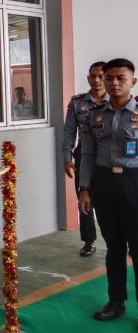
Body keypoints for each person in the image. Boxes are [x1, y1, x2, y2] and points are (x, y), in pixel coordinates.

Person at [78, 57, 138, 321]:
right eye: (109, 77)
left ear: (132, 81)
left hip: (134, 182)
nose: (114, 83)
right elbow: (88, 153)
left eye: (120, 78)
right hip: (104, 185)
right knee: (114, 247)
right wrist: (84, 188)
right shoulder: (95, 114)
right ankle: (116, 301)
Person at [62, 61, 107, 257]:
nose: (96, 80)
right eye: (93, 76)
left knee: (116, 199)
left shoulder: (116, 101)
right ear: (88, 78)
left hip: (109, 156)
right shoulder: (77, 102)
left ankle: (127, 239)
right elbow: (69, 132)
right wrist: (67, 156)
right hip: (83, 155)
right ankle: (89, 241)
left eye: (101, 76)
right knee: (84, 197)